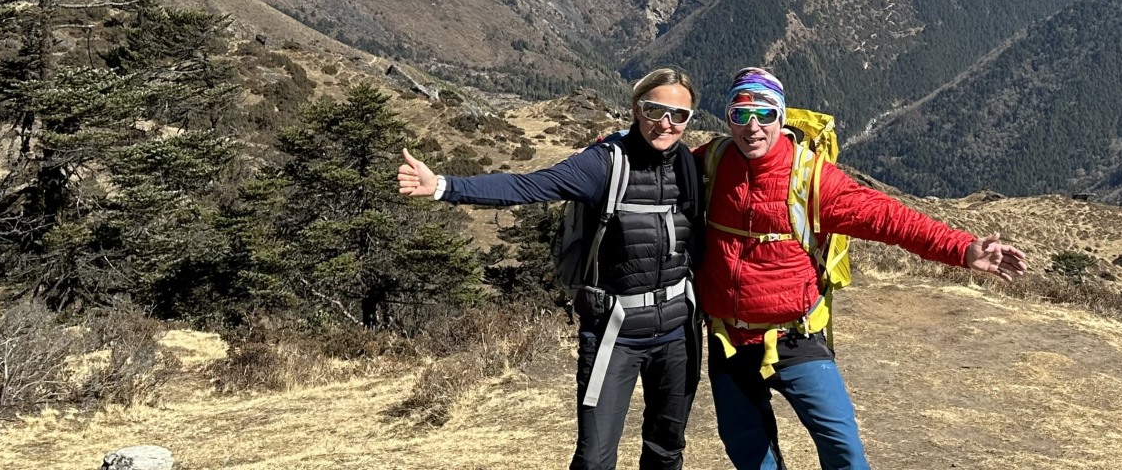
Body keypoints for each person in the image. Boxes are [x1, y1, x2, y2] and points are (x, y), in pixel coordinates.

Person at [696, 67, 1028, 470]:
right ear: (726, 118)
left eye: (764, 114)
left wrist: (963, 249)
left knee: (843, 451)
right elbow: (651, 161)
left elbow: (890, 219)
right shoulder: (709, 164)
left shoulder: (812, 180)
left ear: (782, 118)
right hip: (727, 339)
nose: (752, 127)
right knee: (750, 454)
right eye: (740, 114)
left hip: (795, 336)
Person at [397, 68, 704, 470]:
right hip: (616, 335)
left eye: (678, 115)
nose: (665, 123)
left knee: (667, 451)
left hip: (678, 334)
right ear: (636, 108)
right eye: (654, 109)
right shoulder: (603, 165)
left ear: (688, 120)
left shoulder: (692, 166)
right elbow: (528, 186)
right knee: (594, 459)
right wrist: (442, 186)